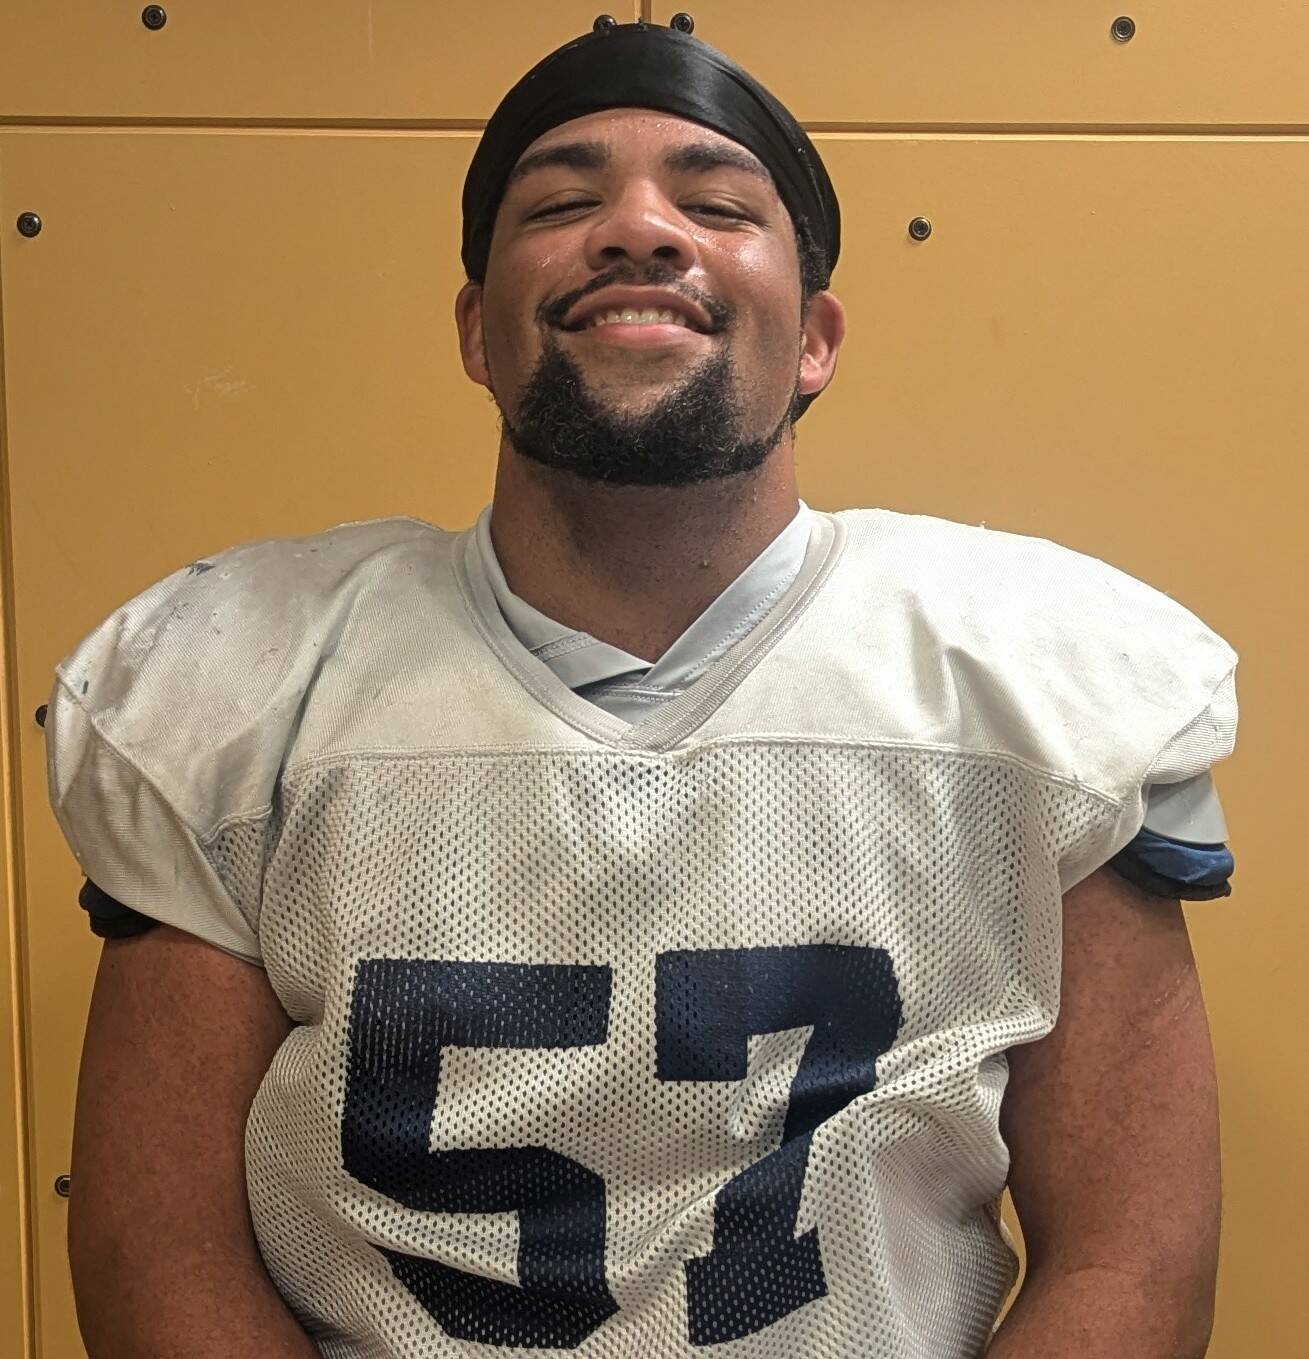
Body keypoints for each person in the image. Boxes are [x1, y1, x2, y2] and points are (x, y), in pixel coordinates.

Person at [46, 16, 1236, 1359]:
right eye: (563, 204)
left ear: (815, 339)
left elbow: (1132, 1258)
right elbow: (161, 1252)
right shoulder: (241, 685)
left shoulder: (1036, 680)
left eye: (717, 205)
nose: (639, 229)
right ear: (477, 331)